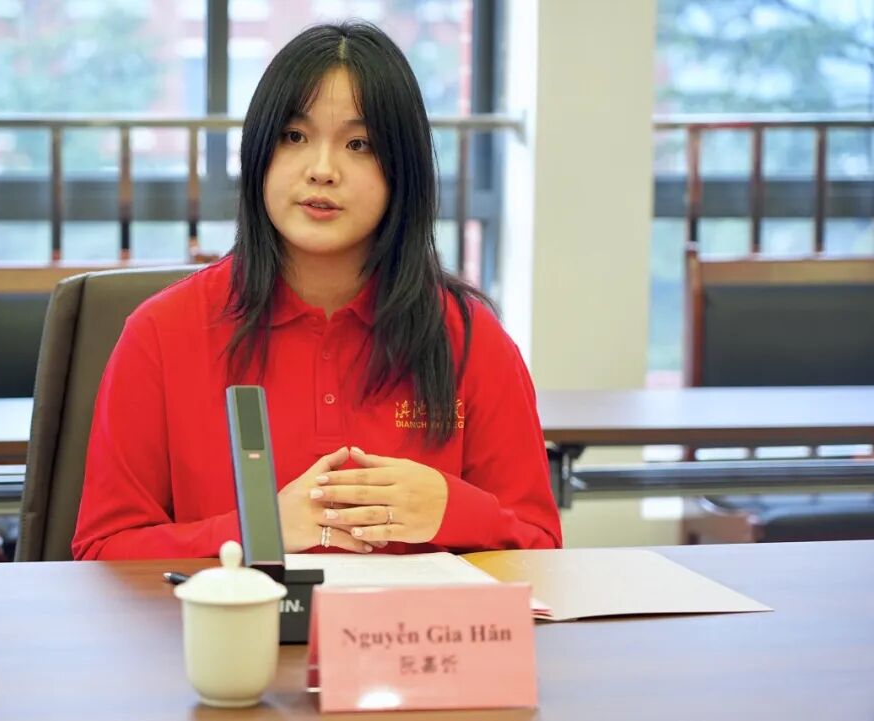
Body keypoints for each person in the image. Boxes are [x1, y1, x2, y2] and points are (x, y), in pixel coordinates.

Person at [71, 21, 561, 560]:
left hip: (407, 618)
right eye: (294, 137)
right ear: (259, 153)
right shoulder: (162, 332)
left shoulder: (470, 339)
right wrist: (256, 531)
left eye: (359, 144)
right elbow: (103, 551)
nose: (322, 170)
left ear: (403, 171)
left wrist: (453, 510)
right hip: (237, 619)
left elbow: (542, 548)